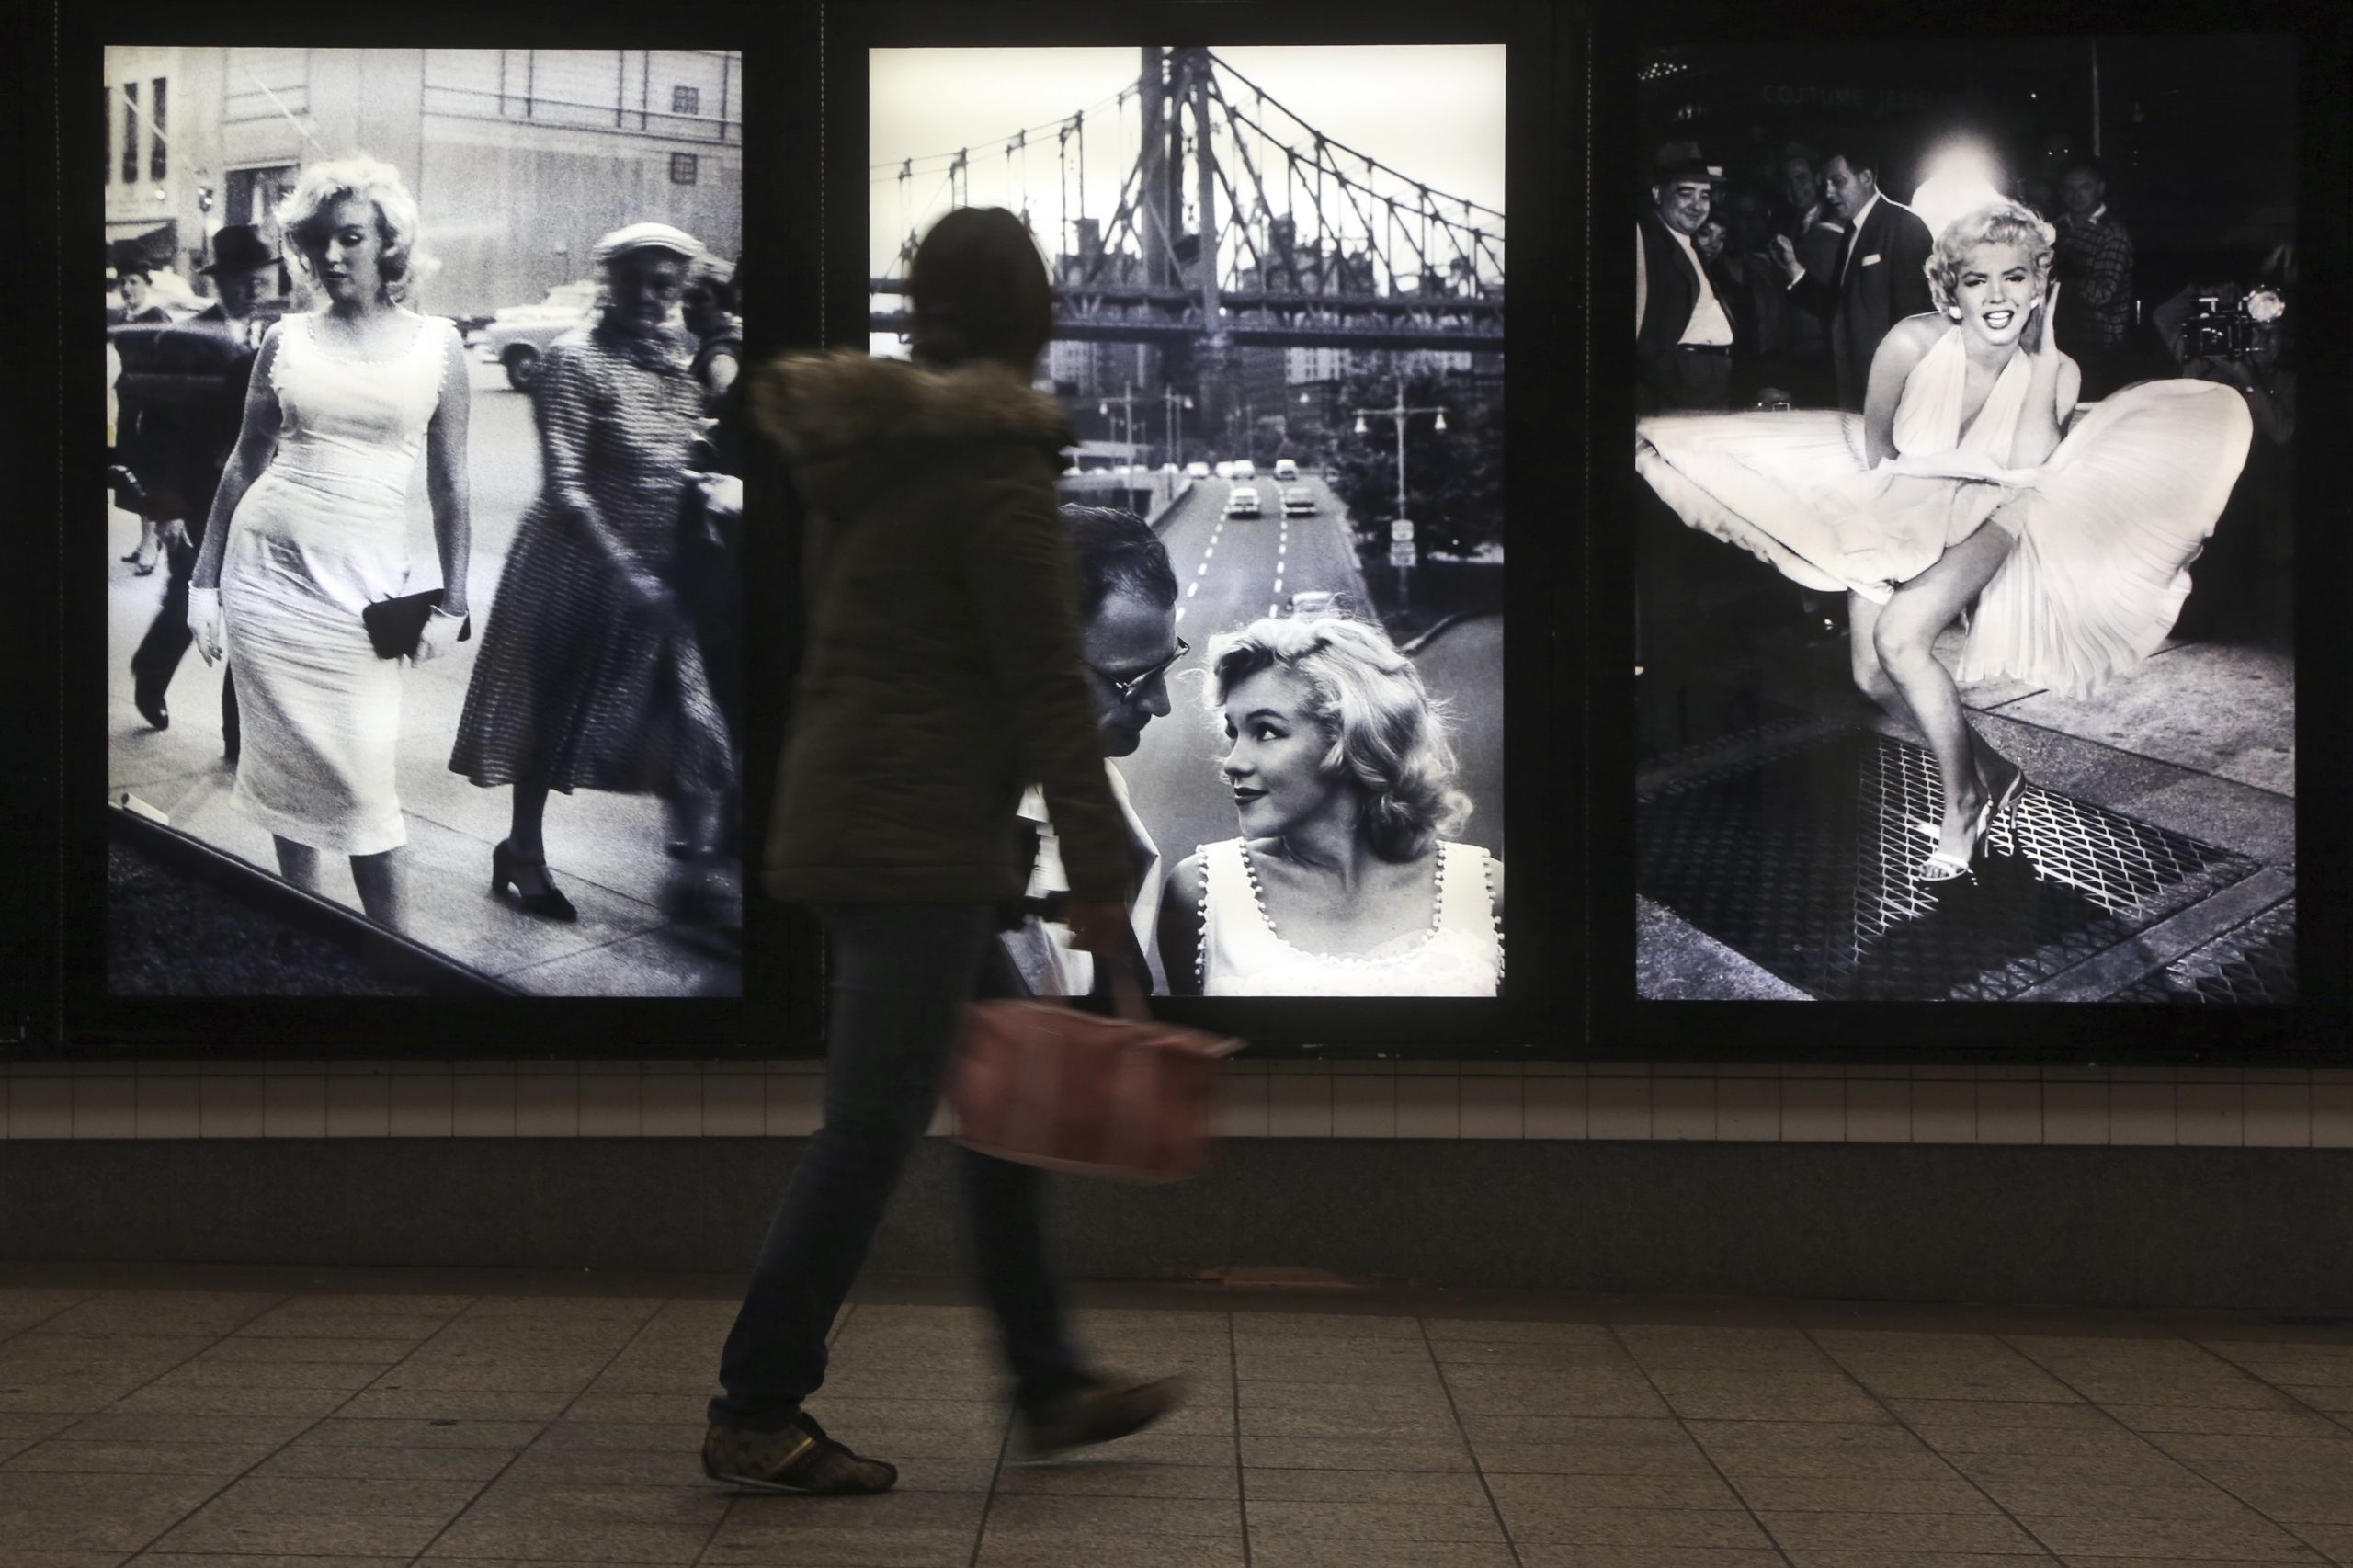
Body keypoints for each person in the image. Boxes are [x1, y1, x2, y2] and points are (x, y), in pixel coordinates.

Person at [701, 206, 1181, 1496]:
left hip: (878, 818)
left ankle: (1050, 1377)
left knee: (1007, 1098)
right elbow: (1046, 688)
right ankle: (756, 1402)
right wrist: (1099, 870)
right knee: (867, 1130)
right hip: (916, 842)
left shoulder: (870, 456)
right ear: (1039, 321)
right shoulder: (993, 472)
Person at [1637, 200, 2252, 881]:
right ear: (1949, 288)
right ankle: (1997, 774)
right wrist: (1905, 533)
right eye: (1977, 280)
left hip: (2003, 509)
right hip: (1901, 499)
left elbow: (2025, 470)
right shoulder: (1909, 343)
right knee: (1871, 674)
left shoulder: (2060, 369)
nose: (1998, 296)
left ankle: (1962, 804)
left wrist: (2043, 359)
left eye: (2015, 278)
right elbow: (1878, 452)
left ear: (2040, 285)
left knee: (1901, 639)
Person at [186, 156, 472, 932]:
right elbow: (245, 461)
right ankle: (306, 930)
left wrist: (455, 599)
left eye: (352, 238)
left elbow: (451, 486)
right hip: (268, 586)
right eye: (320, 242)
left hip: (364, 592)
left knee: (365, 787)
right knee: (288, 780)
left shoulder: (439, 346)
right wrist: (202, 586)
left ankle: (399, 954)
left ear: (389, 245)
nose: (333, 256)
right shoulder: (286, 339)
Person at [447, 222, 736, 923]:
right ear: (609, 282)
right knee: (551, 714)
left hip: (664, 566)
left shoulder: (676, 352)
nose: (649, 295)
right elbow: (567, 488)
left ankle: (698, 870)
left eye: (664, 284)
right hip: (576, 564)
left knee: (689, 714)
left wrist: (703, 490)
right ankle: (523, 851)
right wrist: (628, 576)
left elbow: (683, 447)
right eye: (636, 280)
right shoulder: (575, 360)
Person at [1158, 615, 1504, 996]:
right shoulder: (1201, 891)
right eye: (1233, 733)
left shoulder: (1487, 889)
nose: (1232, 762)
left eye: (1267, 731)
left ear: (1353, 739)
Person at [1004, 505, 1182, 999]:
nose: (1161, 706)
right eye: (1132, 678)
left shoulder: (1103, 793)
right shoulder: (916, 842)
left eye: (1166, 668)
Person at [125, 224, 279, 748]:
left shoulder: (283, 336)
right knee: (190, 599)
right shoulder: (191, 339)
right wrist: (165, 505)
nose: (253, 287)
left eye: (260, 276)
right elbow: (157, 430)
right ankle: (151, 667)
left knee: (252, 613)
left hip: (265, 500)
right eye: (240, 278)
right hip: (200, 497)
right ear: (220, 283)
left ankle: (240, 737)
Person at [1772, 142, 1935, 412]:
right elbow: (1836, 307)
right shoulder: (1851, 233)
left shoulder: (1904, 225)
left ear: (1867, 178)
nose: (1829, 193)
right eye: (1825, 184)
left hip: (1892, 390)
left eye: (1838, 182)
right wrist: (1793, 269)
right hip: (1854, 386)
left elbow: (1917, 320)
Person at [1635, 142, 1739, 412]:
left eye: (1704, 195)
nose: (1697, 205)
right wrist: (1679, 381)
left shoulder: (1684, 242)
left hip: (1705, 382)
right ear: (1657, 193)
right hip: (1681, 389)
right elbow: (1642, 336)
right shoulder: (1647, 241)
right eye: (1686, 193)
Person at [108, 251, 174, 574]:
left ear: (146, 284)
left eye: (133, 281)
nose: (127, 288)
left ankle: (152, 544)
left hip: (152, 408)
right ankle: (143, 540)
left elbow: (169, 369)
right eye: (122, 282)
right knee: (132, 474)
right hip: (129, 402)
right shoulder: (125, 318)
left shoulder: (158, 318)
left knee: (149, 474)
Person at [2050, 157, 2134, 399]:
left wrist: (2058, 280)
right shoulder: (2056, 228)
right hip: (2060, 338)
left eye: (2084, 187)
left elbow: (2102, 293)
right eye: (2069, 189)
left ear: (2100, 189)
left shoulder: (2111, 232)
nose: (2076, 195)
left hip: (2098, 344)